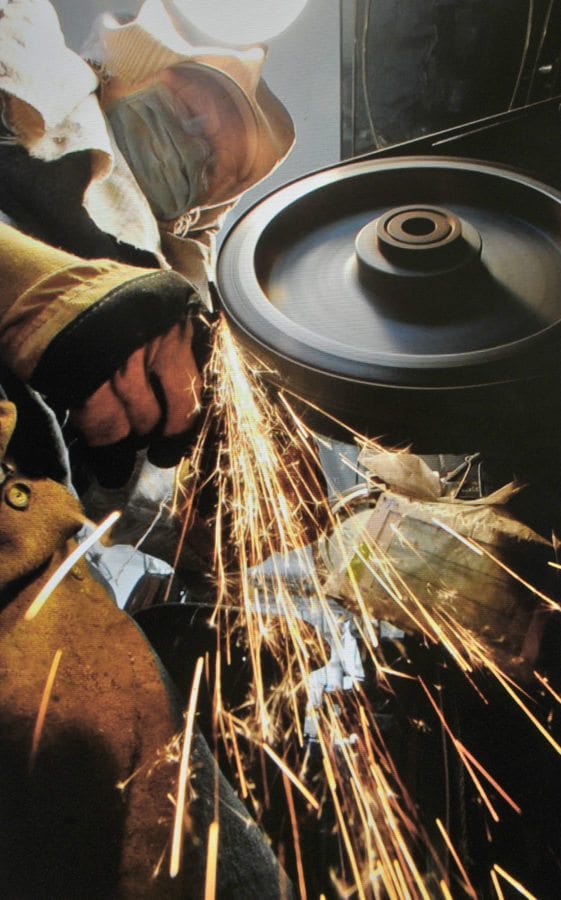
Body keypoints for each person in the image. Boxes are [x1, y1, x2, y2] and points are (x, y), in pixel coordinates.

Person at [0, 0, 295, 895]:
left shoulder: (180, 309)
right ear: (136, 70)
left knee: (211, 869)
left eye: (216, 157)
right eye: (199, 98)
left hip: (29, 562)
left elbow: (173, 515)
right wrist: (40, 292)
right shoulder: (25, 75)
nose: (200, 134)